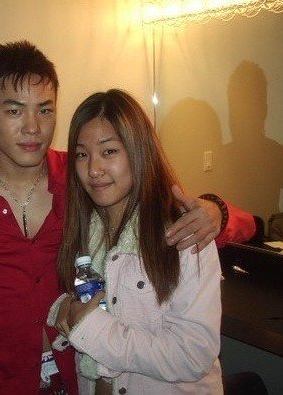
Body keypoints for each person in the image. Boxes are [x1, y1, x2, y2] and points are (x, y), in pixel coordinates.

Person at [0, 41, 241, 395]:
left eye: (45, 110)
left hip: (76, 374)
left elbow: (160, 206)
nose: (33, 127)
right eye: (14, 111)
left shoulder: (83, 178)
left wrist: (217, 211)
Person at [50, 89, 223, 394]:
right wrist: (65, 309)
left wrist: (90, 328)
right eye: (82, 154)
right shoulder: (83, 230)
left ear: (138, 151)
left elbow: (192, 354)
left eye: (109, 151)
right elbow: (77, 300)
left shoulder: (183, 233)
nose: (93, 170)